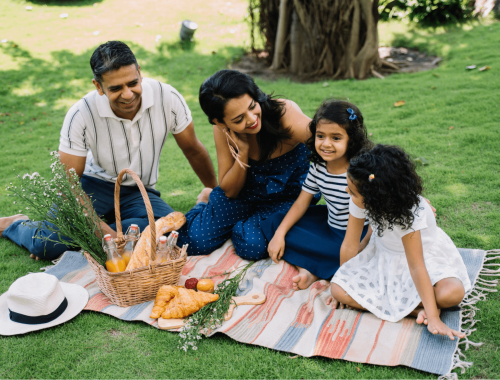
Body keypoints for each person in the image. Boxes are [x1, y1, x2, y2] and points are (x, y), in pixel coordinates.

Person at [0, 41, 217, 260]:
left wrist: (216, 193)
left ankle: (82, 233)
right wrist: (111, 236)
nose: (128, 94)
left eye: (132, 83)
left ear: (140, 73)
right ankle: (17, 224)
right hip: (91, 187)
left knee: (170, 232)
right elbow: (70, 188)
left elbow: (193, 150)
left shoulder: (168, 97)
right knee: (46, 245)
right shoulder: (80, 114)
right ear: (98, 86)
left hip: (138, 190)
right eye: (115, 88)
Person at [329, 144, 471, 340]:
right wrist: (347, 278)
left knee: (452, 293)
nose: (347, 192)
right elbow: (350, 244)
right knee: (337, 289)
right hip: (384, 256)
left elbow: (416, 265)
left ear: (375, 197)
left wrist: (434, 318)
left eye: (352, 191)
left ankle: (424, 310)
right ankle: (414, 311)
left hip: (421, 260)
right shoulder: (359, 197)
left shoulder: (409, 213)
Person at [177, 69, 318, 260]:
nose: (251, 119)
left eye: (252, 106)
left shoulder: (284, 113)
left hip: (287, 196)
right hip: (244, 194)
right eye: (239, 119)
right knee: (194, 242)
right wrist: (242, 154)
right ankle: (205, 201)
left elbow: (328, 146)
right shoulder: (222, 130)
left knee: (251, 246)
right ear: (220, 122)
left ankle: (243, 222)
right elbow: (230, 191)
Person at [262, 100, 372, 291]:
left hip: (359, 236)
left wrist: (363, 245)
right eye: (320, 136)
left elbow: (385, 205)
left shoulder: (362, 171)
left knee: (354, 256)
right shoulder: (318, 166)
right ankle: (311, 269)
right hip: (329, 226)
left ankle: (312, 271)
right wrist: (279, 234)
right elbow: (301, 203)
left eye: (336, 138)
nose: (326, 144)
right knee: (276, 223)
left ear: (351, 140)